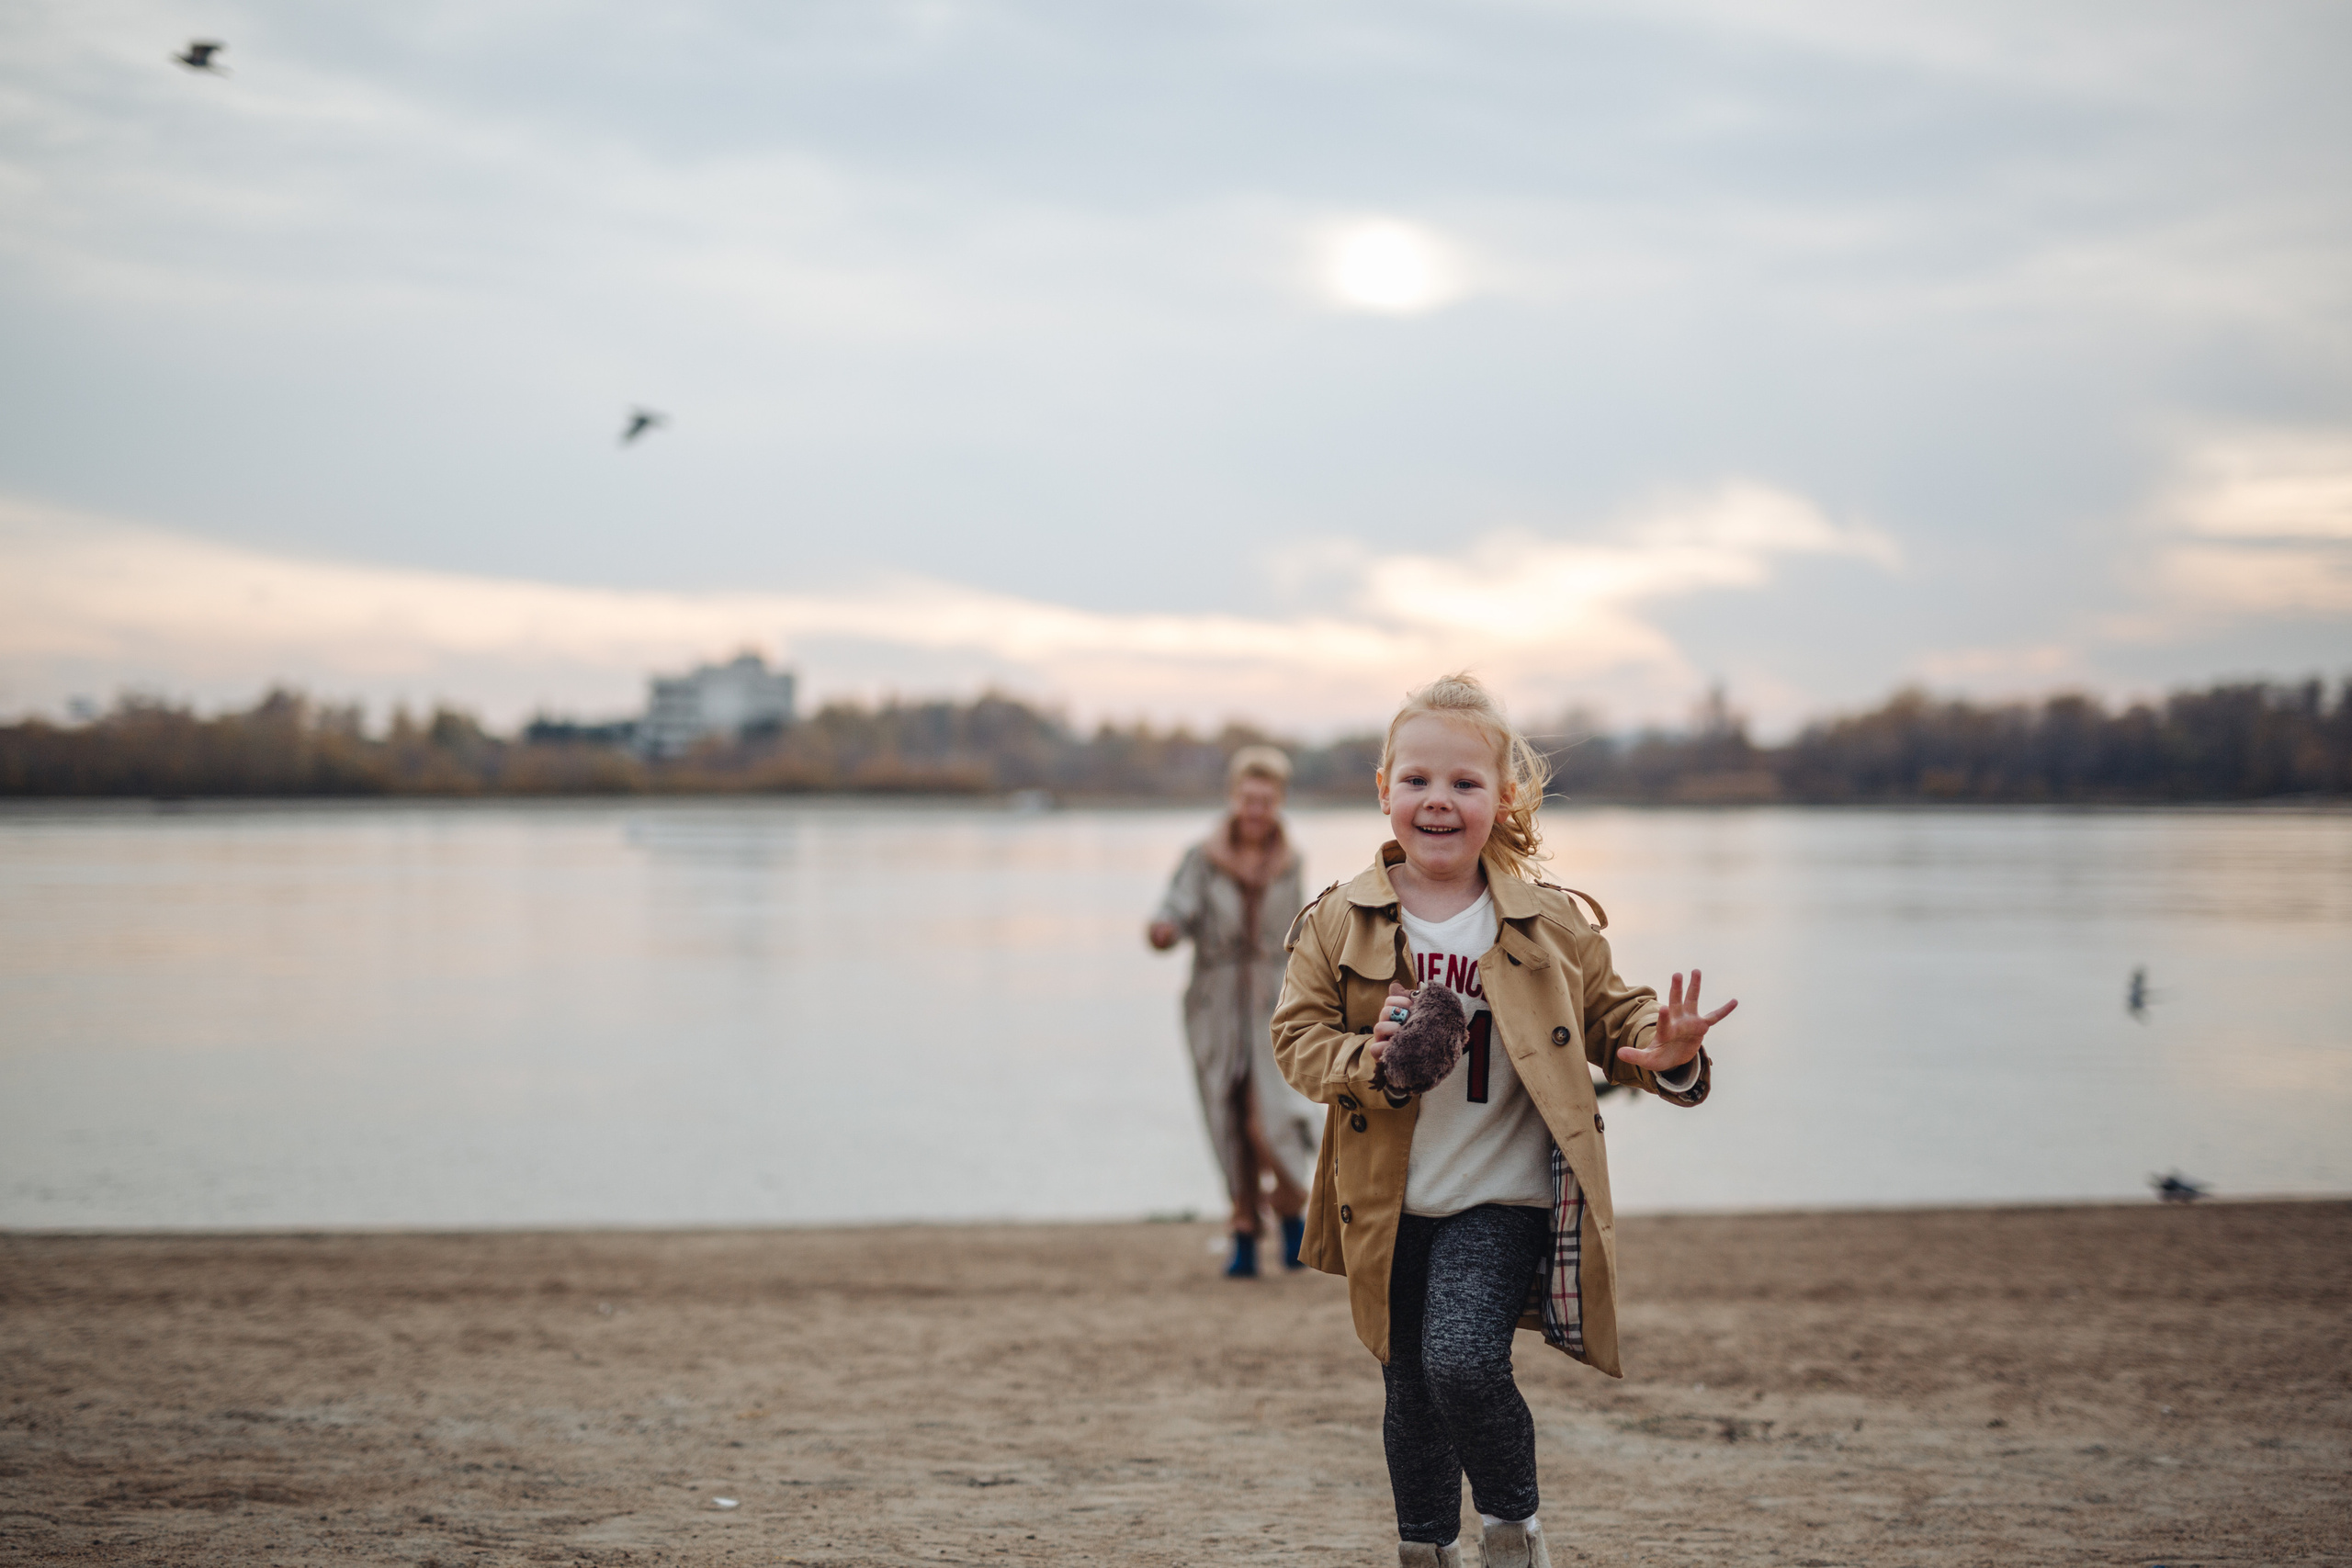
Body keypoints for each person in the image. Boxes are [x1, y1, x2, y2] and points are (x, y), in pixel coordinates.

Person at [1271, 673, 1737, 1568]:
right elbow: (1295, 1043)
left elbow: (1618, 1020)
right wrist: (1372, 1060)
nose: (1437, 801)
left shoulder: (1549, 921)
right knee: (1408, 1388)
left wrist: (1665, 1049)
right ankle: (1425, 1551)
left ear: (1503, 798)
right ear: (1383, 790)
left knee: (1460, 1364)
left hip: (1505, 1196)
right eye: (1416, 781)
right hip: (1386, 1200)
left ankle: (1513, 1529)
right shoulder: (1337, 919)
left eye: (1463, 784)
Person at [1148, 744, 1319, 1278]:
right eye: (1248, 798)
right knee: (1226, 1115)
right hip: (1215, 999)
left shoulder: (1292, 860)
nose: (1256, 808)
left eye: (1266, 799)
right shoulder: (1201, 857)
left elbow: (1303, 927)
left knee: (1273, 1120)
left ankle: (1291, 1209)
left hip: (1274, 998)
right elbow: (1175, 907)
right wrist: (1166, 929)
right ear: (1233, 798)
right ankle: (1244, 1229)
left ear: (1278, 802)